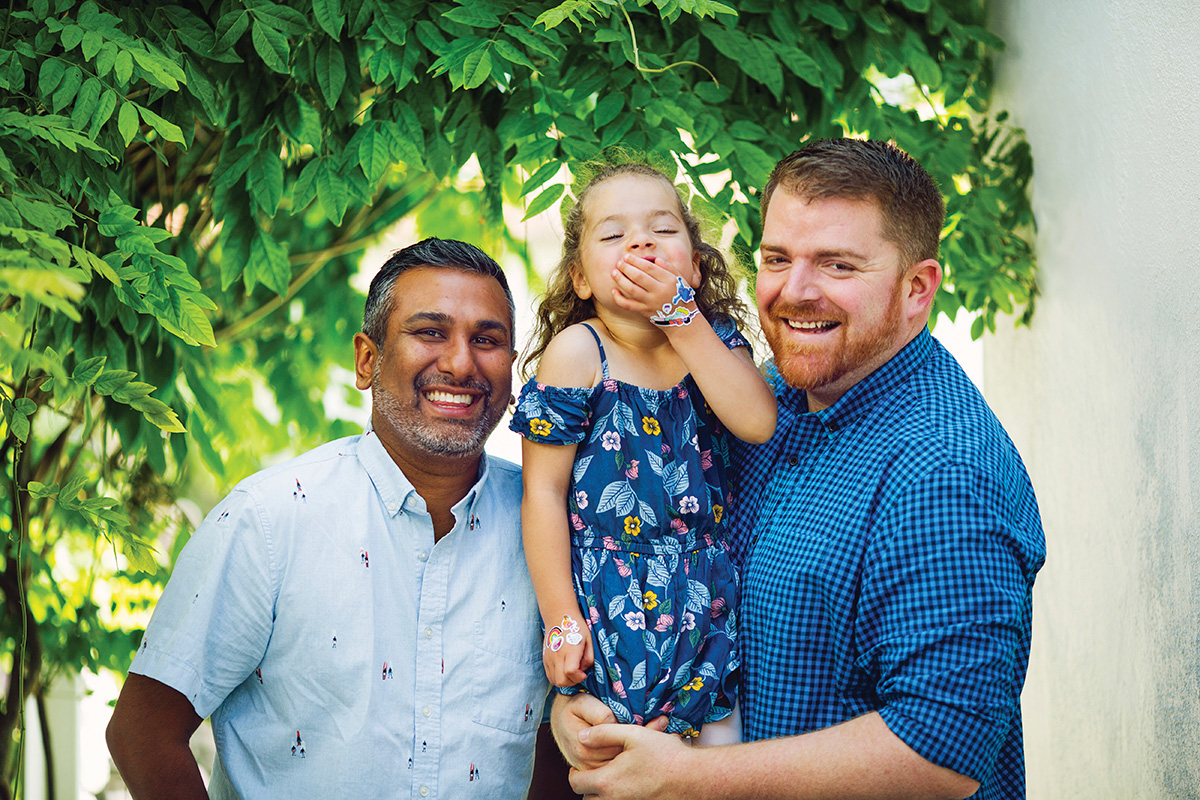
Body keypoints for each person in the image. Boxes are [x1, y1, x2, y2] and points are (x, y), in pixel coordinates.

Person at [555, 139, 1047, 799]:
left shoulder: (942, 468)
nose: (794, 291)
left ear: (917, 289)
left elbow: (943, 748)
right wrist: (584, 711)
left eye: (838, 264)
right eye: (777, 259)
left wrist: (685, 778)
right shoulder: (766, 400)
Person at [107, 238, 556, 799]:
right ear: (368, 359)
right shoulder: (269, 521)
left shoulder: (550, 530)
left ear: (512, 370)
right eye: (430, 332)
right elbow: (143, 732)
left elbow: (555, 743)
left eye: (487, 340)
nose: (461, 362)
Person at [510, 161, 777, 746]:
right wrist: (560, 623)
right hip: (611, 609)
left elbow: (757, 422)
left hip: (708, 606)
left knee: (713, 768)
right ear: (581, 279)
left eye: (663, 229)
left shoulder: (712, 343)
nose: (640, 242)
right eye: (613, 234)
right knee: (620, 764)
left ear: (697, 267)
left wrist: (681, 318)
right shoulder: (577, 354)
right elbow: (544, 495)